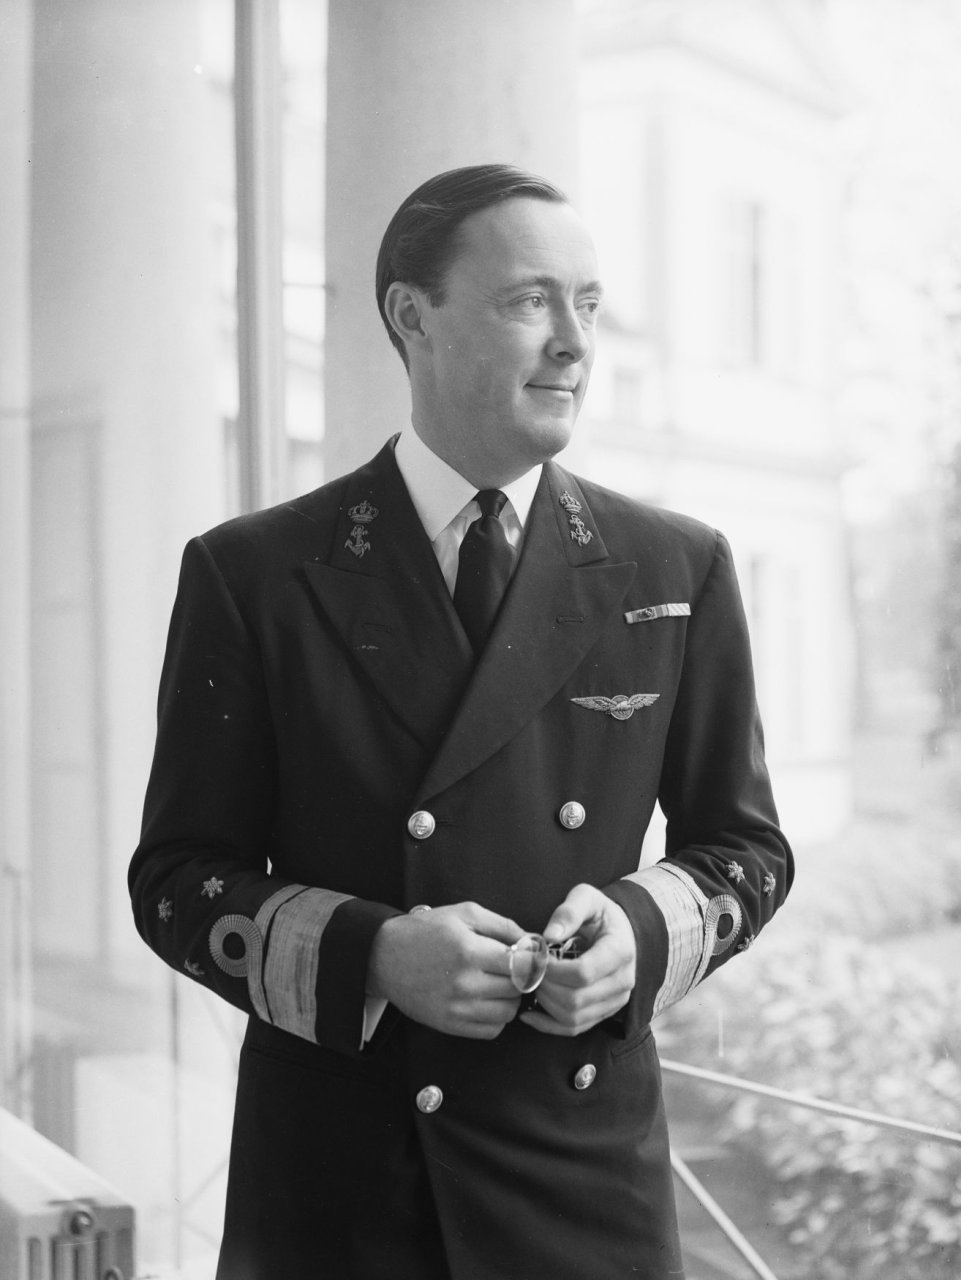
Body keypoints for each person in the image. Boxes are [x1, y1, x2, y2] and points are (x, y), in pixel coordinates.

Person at [129, 163, 793, 1280]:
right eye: (530, 300)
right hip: (341, 1194)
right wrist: (375, 956)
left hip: (582, 1185)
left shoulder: (675, 567)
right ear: (412, 316)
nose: (575, 343)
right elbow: (174, 880)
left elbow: (749, 849)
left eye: (588, 304)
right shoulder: (254, 573)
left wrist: (639, 931)